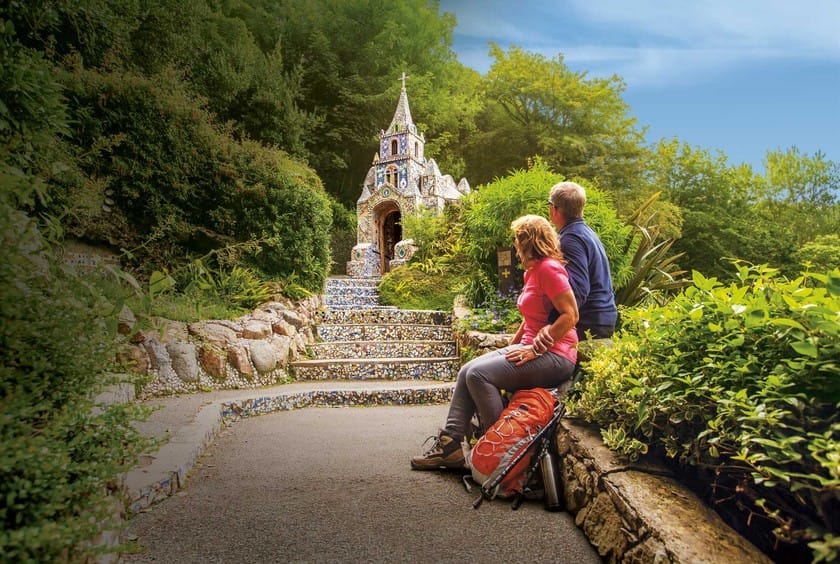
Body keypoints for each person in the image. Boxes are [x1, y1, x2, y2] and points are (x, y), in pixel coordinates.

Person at [411, 215, 579, 470]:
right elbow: (530, 319)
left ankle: (498, 453)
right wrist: (511, 345)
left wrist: (535, 350)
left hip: (556, 355)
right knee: (467, 370)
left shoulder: (549, 269)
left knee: (479, 375)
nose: (515, 244)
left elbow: (571, 315)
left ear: (527, 242)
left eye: (517, 239)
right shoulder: (532, 272)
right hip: (530, 348)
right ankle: (450, 446)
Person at [535, 182, 617, 351]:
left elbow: (578, 289)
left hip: (589, 323)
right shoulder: (586, 233)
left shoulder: (570, 240)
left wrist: (553, 325)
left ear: (554, 209)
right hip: (603, 318)